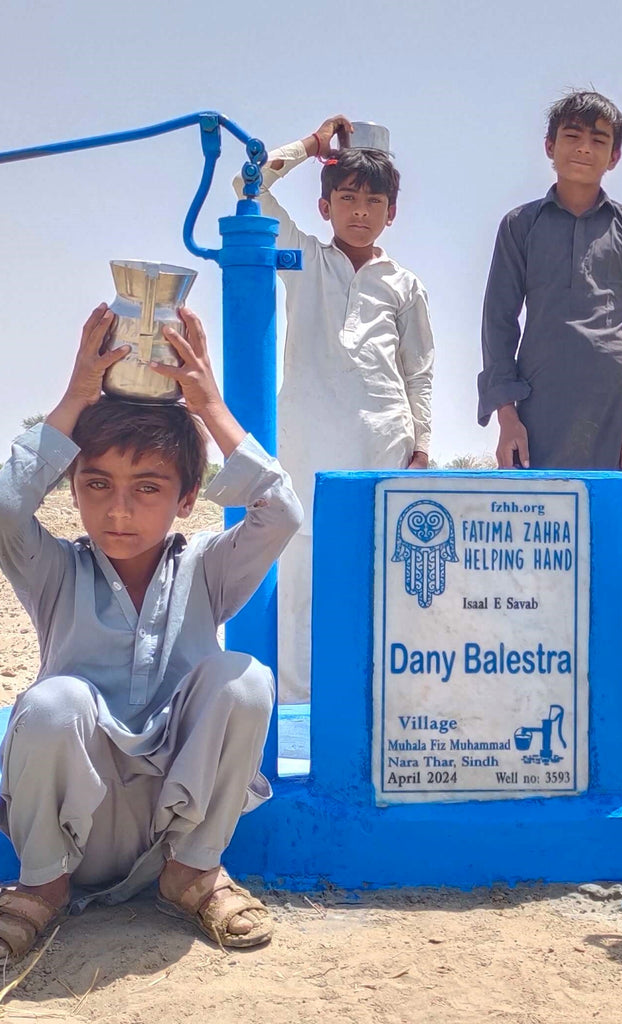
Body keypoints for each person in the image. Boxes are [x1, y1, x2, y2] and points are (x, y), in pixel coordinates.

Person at [0, 305, 303, 960]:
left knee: (243, 678)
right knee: (54, 703)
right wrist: (78, 395)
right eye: (98, 484)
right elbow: (4, 507)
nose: (119, 509)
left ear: (187, 498)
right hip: (80, 829)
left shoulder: (206, 571)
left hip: (175, 823)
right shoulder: (56, 571)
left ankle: (193, 875)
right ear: (73, 489)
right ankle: (41, 888)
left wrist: (211, 406)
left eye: (147, 487)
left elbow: (279, 512)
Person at [235, 116, 434, 704]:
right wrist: (311, 146)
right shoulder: (302, 259)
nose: (361, 211)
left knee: (378, 567)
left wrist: (421, 445)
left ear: (391, 212)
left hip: (383, 441)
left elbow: (419, 369)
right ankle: (299, 704)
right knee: (299, 562)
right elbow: (249, 187)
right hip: (306, 438)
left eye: (374, 201)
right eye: (347, 198)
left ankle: (380, 699)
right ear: (325, 207)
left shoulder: (404, 284)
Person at [478, 90, 622, 481]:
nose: (584, 148)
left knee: (604, 528)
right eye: (572, 136)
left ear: (614, 156)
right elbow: (498, 324)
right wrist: (507, 417)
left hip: (614, 404)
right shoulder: (520, 225)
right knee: (535, 531)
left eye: (598, 140)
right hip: (538, 406)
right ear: (550, 146)